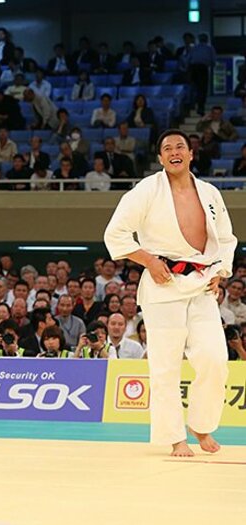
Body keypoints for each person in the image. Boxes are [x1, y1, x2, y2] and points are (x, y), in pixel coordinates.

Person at [104, 129, 237, 457]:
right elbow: (116, 233)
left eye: (181, 146)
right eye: (167, 148)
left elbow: (226, 237)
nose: (174, 152)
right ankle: (175, 437)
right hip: (163, 286)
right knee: (165, 366)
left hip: (202, 284)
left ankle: (201, 424)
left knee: (214, 358)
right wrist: (148, 260)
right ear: (161, 158)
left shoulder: (209, 193)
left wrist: (220, 271)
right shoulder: (146, 190)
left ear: (192, 154)